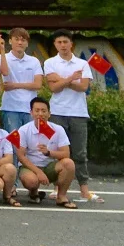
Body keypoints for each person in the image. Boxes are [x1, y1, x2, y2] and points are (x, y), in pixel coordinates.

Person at [43, 30, 102, 203]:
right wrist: (71, 78)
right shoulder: (50, 62)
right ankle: (57, 188)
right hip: (57, 112)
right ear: (55, 44)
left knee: (80, 153)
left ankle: (84, 189)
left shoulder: (82, 63)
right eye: (59, 42)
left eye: (65, 42)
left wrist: (62, 80)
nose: (62, 45)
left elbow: (83, 87)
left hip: (78, 112)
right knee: (58, 152)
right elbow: (53, 88)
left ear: (71, 43)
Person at [15, 98, 78, 209]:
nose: (40, 114)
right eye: (37, 110)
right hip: (30, 167)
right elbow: (21, 156)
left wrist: (49, 153)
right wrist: (38, 172)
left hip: (50, 166)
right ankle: (33, 192)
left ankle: (61, 196)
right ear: (31, 113)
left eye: (44, 111)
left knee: (69, 163)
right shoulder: (24, 130)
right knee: (31, 181)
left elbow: (66, 153)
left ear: (49, 113)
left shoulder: (58, 129)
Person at [0, 27, 43, 133]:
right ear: (10, 41)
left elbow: (37, 85)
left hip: (30, 109)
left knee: (31, 139)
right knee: (13, 140)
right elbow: (5, 72)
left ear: (27, 43)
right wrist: (2, 49)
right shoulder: (1, 57)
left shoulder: (34, 61)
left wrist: (14, 85)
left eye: (23, 40)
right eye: (16, 39)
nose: (20, 42)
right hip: (10, 108)